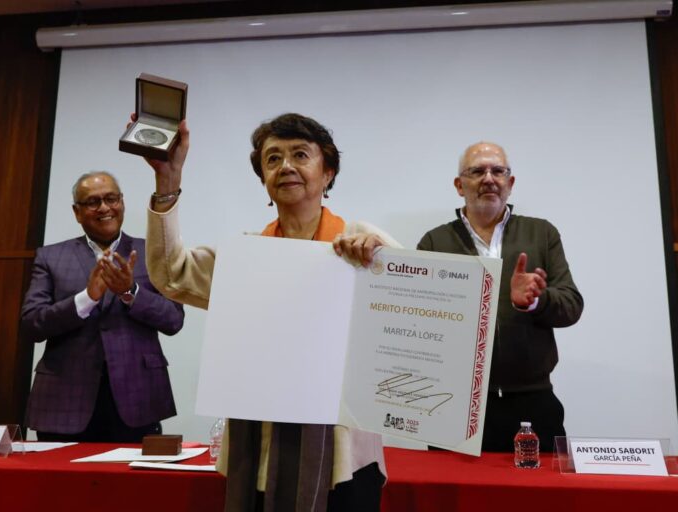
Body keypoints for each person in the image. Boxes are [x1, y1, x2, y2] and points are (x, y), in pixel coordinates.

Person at [142, 113, 400, 511]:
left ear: (328, 172)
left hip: (342, 457)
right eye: (273, 159)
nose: (286, 167)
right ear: (263, 177)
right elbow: (170, 273)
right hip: (258, 449)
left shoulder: (360, 241)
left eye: (300, 155)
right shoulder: (246, 255)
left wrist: (378, 262)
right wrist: (167, 181)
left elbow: (415, 303)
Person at [417, 142, 583, 452]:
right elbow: (419, 319)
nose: (489, 178)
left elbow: (571, 306)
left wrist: (535, 300)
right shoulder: (434, 241)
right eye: (477, 171)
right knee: (456, 499)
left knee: (539, 499)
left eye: (498, 171)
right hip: (454, 405)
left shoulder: (542, 234)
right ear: (459, 185)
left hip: (532, 402)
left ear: (510, 182)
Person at [20, 171, 185, 442]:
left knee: (133, 485)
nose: (105, 208)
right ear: (77, 212)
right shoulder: (50, 257)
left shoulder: (153, 252)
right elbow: (31, 325)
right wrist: (87, 299)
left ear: (122, 202)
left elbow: (173, 320)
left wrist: (130, 292)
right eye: (93, 201)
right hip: (64, 401)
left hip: (138, 399)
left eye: (111, 198)